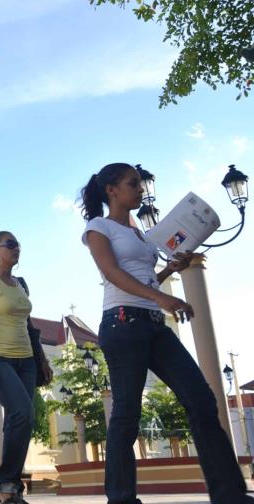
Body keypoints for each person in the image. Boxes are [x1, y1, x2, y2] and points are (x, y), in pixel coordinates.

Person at [80, 163, 254, 504]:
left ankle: (229, 494)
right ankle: (121, 498)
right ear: (112, 190)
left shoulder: (137, 233)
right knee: (127, 414)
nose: (140, 189)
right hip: (121, 323)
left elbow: (143, 280)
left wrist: (167, 271)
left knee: (202, 401)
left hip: (153, 324)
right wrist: (162, 298)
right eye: (133, 183)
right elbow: (112, 273)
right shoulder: (98, 227)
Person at [0, 231, 52, 504]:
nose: (17, 248)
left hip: (27, 361)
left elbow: (29, 326)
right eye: (10, 244)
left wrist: (41, 358)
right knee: (21, 411)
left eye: (18, 244)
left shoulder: (20, 284)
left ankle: (10, 489)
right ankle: (7, 483)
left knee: (23, 419)